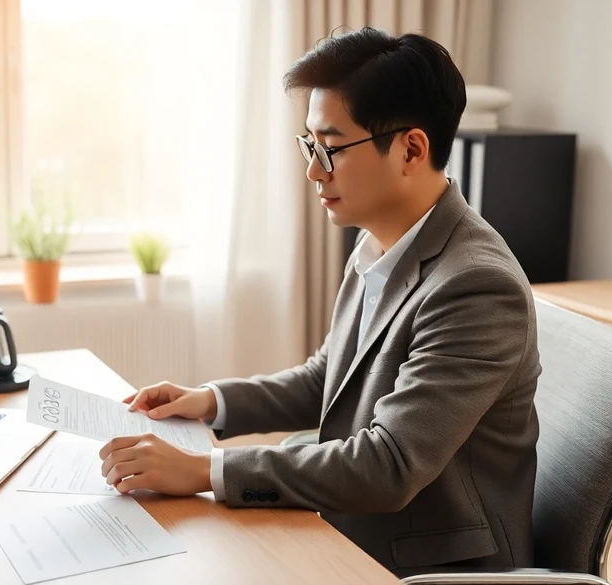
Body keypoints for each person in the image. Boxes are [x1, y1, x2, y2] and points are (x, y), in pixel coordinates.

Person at [99, 27, 540, 576]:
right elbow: (326, 379)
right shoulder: (378, 240)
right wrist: (209, 400)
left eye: (330, 149)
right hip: (356, 521)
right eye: (310, 145)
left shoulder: (475, 286)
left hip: (432, 560)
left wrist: (203, 470)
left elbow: (389, 464)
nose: (313, 170)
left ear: (411, 149)